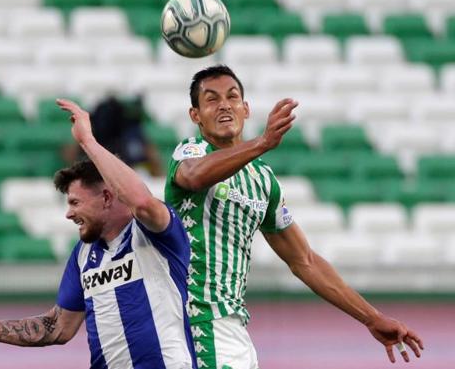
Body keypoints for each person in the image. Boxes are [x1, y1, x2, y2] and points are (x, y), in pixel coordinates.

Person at [164, 65, 424, 369]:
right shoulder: (190, 152)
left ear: (245, 109)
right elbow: (194, 177)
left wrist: (371, 317)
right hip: (196, 318)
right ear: (195, 115)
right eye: (211, 99)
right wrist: (262, 142)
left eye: (232, 97)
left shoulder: (262, 180)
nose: (224, 105)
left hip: (233, 325)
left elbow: (304, 260)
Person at [0, 98, 197, 369]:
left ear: (107, 198)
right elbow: (58, 327)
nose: (69, 214)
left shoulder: (154, 233)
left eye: (75, 202)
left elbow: (141, 202)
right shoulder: (83, 255)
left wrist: (89, 142)